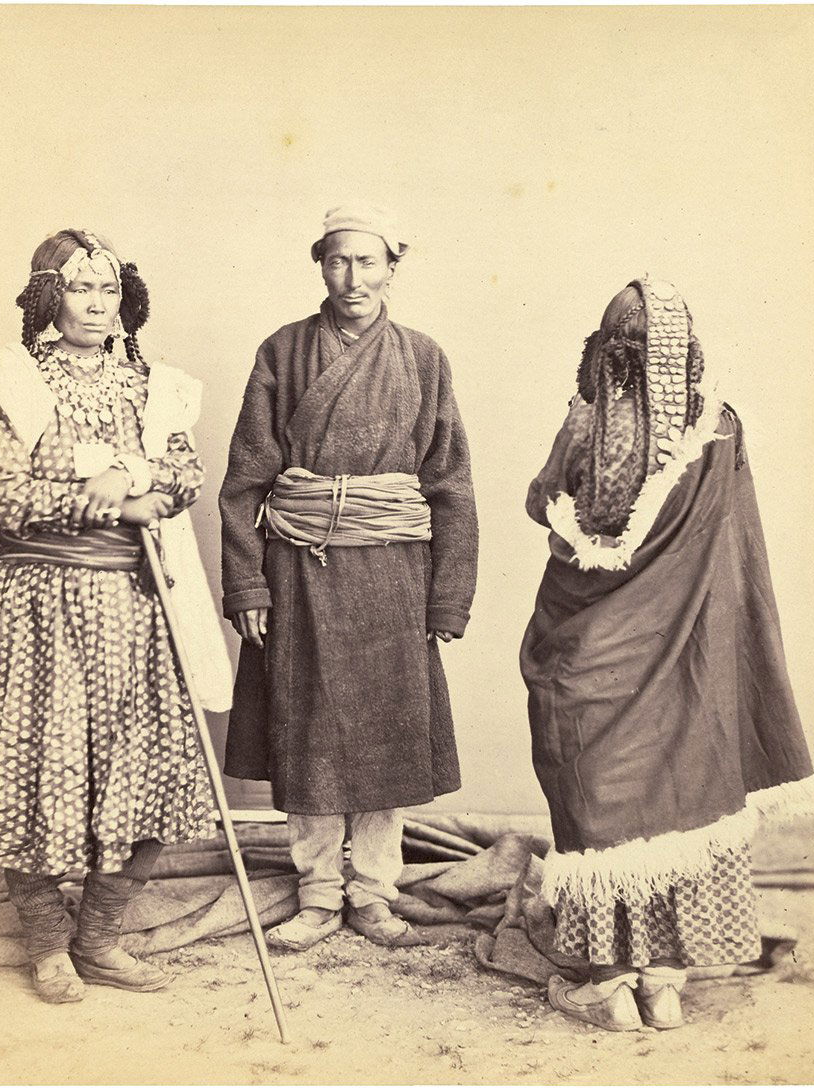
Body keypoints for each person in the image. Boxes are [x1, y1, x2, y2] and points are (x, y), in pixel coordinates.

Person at [520, 276, 814, 1031]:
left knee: (599, 800)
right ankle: (666, 983)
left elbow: (543, 503)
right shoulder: (721, 430)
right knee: (680, 797)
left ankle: (608, 982)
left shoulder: (585, 423)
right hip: (688, 658)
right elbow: (731, 555)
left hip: (588, 656)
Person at [0, 229, 233, 1003]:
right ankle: (46, 946)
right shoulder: (13, 382)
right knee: (32, 771)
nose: (96, 304)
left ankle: (99, 938)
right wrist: (106, 493)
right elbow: (6, 495)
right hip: (33, 605)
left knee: (146, 773)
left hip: (135, 604)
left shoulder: (153, 384)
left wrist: (141, 482)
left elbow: (184, 470)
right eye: (80, 289)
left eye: (108, 289)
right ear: (48, 297)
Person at [219, 204, 478, 951]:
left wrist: (448, 595)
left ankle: (372, 891)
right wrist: (248, 586)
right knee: (307, 736)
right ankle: (317, 893)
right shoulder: (283, 350)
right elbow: (243, 483)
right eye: (338, 261)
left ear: (392, 268)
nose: (352, 277)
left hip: (395, 574)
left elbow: (451, 484)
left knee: (387, 737)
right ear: (321, 266)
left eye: (368, 263)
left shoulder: (423, 358)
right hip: (300, 568)